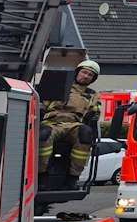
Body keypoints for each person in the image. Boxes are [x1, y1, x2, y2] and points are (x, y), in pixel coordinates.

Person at [39, 58, 102, 186]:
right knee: (44, 134)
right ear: (77, 72)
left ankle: (73, 177)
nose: (86, 76)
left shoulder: (93, 95)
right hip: (52, 123)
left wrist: (93, 115)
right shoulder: (59, 86)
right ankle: (41, 174)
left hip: (74, 125)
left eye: (90, 75)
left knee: (85, 133)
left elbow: (95, 113)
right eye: (84, 72)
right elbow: (41, 104)